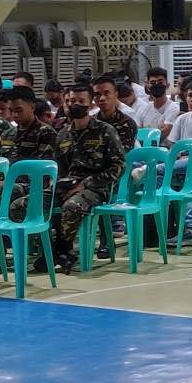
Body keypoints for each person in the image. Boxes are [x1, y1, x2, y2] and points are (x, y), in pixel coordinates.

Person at [50, 84, 126, 271]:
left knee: (72, 206)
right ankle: (49, 248)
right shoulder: (62, 135)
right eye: (70, 101)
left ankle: (61, 249)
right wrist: (58, 184)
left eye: (79, 101)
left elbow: (118, 167)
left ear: (90, 104)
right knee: (26, 205)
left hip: (96, 188)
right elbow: (59, 167)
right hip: (67, 186)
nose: (74, 105)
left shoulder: (105, 131)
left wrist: (85, 184)